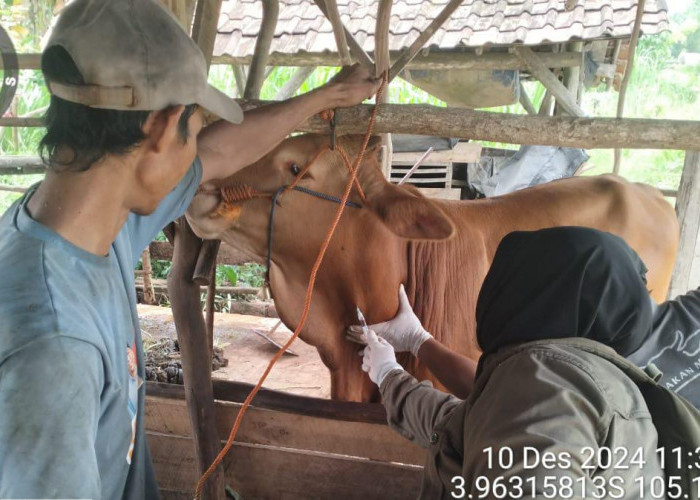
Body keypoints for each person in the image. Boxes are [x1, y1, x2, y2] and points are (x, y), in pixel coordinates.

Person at [0, 0, 380, 498]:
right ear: (161, 129)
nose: (198, 149)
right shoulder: (57, 352)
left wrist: (323, 97)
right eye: (196, 127)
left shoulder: (89, 224)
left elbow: (220, 154)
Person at [352, 227, 663, 499]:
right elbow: (463, 426)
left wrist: (390, 371)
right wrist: (400, 362)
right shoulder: (580, 380)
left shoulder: (550, 386)